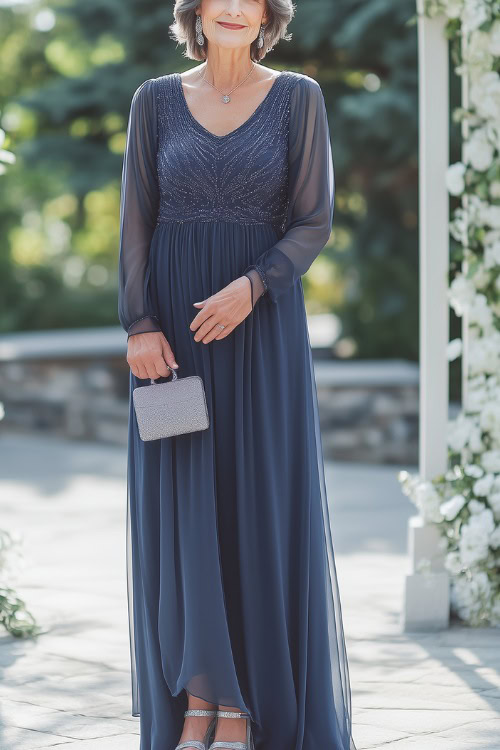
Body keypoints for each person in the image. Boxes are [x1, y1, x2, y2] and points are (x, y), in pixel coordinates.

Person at [118, 1, 357, 749]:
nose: (231, 7)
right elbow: (135, 218)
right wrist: (138, 325)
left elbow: (314, 219)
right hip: (175, 340)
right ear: (195, 11)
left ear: (265, 15)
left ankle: (247, 707)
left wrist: (254, 286)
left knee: (256, 502)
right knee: (181, 507)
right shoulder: (154, 100)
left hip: (262, 331)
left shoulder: (299, 99)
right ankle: (200, 701)